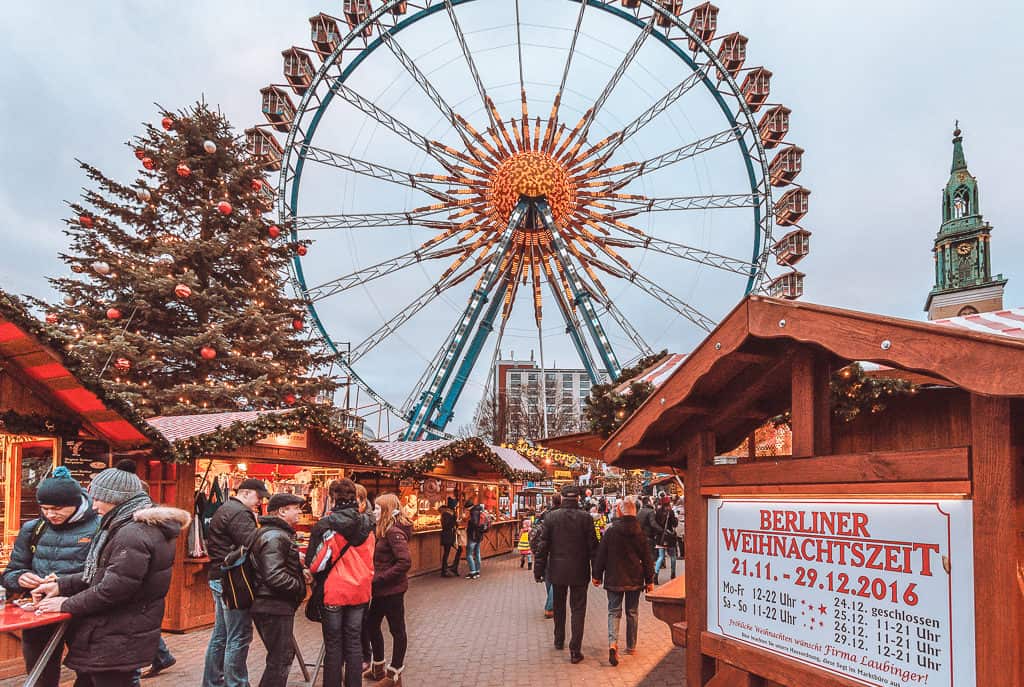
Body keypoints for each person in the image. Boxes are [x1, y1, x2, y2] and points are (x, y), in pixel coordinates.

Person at [33, 460, 190, 686]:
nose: (94, 506)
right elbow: (107, 573)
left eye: (98, 498)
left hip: (116, 634)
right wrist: (62, 585)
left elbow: (114, 588)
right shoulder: (131, 526)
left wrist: (66, 603)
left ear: (116, 498)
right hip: (117, 632)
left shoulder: (132, 533)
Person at [2, 467, 99, 687]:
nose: (50, 514)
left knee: (89, 675)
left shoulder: (99, 528)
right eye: (45, 508)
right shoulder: (33, 528)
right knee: (40, 676)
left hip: (83, 613)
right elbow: (10, 572)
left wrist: (62, 584)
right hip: (39, 615)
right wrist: (20, 578)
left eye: (57, 508)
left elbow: (104, 574)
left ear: (76, 503)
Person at [202, 478, 269, 687]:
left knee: (222, 635)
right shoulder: (239, 513)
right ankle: (236, 683)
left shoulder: (226, 508)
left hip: (219, 576)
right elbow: (253, 544)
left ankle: (213, 681)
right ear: (246, 493)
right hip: (232, 580)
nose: (260, 501)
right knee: (238, 636)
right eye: (259, 496)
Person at [308, 479, 375, 687]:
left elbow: (316, 564)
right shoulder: (368, 524)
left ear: (332, 497)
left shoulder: (327, 525)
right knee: (354, 642)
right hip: (360, 590)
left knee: (334, 644)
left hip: (335, 590)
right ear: (355, 496)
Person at [534, 484, 598, 664]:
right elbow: (593, 547)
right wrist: (597, 573)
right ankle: (575, 650)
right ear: (578, 498)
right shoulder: (586, 518)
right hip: (580, 570)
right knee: (578, 609)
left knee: (559, 606)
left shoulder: (551, 517)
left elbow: (543, 545)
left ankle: (558, 639)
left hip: (557, 570)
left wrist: (538, 570)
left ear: (562, 497)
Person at [250, 493, 307, 687]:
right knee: (280, 658)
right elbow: (273, 575)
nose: (300, 511)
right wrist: (298, 586)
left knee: (280, 656)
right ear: (282, 511)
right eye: (295, 508)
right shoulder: (275, 536)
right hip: (273, 604)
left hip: (271, 604)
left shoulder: (273, 533)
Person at [591, 496, 654, 666]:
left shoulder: (611, 531)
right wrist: (650, 580)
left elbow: (601, 554)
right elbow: (647, 558)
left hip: (614, 577)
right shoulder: (640, 532)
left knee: (614, 612)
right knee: (632, 612)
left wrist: (596, 575)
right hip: (634, 578)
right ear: (635, 512)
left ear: (620, 511)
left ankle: (613, 644)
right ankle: (631, 646)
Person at [364, 493, 412, 686]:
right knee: (371, 625)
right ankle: (378, 667)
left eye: (376, 509)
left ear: (385, 510)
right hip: (381, 590)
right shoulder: (383, 529)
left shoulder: (393, 532)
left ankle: (395, 674)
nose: (373, 512)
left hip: (391, 590)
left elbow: (405, 561)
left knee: (397, 629)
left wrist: (380, 577)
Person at [529, 493, 560, 619]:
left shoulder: (545, 514)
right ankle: (550, 606)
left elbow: (536, 528)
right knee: (556, 582)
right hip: (556, 552)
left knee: (548, 578)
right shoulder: (560, 515)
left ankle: (551, 604)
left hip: (544, 551)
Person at [653, 495, 679, 582]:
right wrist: (676, 518)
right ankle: (672, 574)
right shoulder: (670, 512)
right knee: (673, 556)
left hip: (660, 537)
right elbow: (674, 524)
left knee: (660, 556)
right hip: (669, 537)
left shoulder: (658, 511)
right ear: (668, 503)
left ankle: (655, 575)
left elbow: (656, 523)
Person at [464, 499, 484, 579]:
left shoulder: (473, 512)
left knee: (469, 554)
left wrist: (469, 524)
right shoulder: (479, 510)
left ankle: (472, 572)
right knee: (477, 553)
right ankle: (477, 571)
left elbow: (474, 524)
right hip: (479, 535)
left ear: (469, 507)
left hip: (473, 536)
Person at [636, 495, 657, 572]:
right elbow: (653, 524)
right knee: (650, 555)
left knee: (642, 555)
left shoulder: (640, 511)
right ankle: (650, 573)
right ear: (648, 502)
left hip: (640, 535)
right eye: (651, 501)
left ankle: (643, 572)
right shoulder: (650, 511)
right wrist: (661, 530)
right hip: (648, 535)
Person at [439, 498, 457, 577]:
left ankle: (451, 567)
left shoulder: (448, 513)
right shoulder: (447, 514)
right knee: (446, 553)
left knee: (449, 552)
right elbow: (446, 525)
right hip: (447, 535)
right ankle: (445, 570)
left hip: (449, 535)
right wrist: (454, 521)